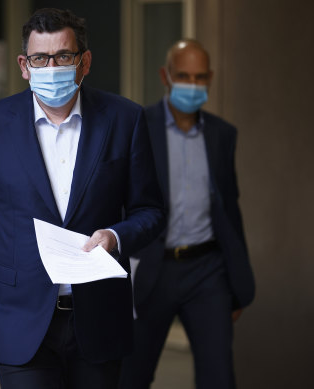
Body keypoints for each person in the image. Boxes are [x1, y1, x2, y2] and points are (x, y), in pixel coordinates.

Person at [0, 8, 166, 389]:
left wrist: (116, 237)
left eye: (63, 56)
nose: (51, 66)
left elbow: (150, 211)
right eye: (40, 58)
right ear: (24, 65)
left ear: (84, 62)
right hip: (19, 316)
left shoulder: (125, 119)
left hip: (100, 316)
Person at [118, 39, 256, 389]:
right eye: (183, 76)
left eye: (199, 77)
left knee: (219, 377)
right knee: (131, 376)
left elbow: (229, 209)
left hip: (206, 272)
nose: (191, 85)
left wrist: (237, 284)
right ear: (166, 76)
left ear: (209, 78)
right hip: (150, 269)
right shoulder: (137, 125)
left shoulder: (223, 135)